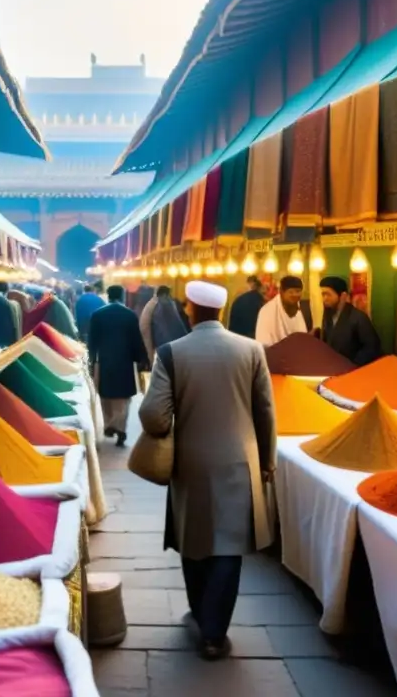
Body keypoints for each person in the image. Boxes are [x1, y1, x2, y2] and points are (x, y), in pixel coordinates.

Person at [139, 280, 276, 660]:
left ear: (189, 308)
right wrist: (267, 460)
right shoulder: (251, 350)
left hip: (191, 462)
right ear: (221, 311)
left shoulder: (171, 352)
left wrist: (165, 426)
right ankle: (215, 635)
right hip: (240, 461)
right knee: (228, 547)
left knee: (193, 540)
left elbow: (153, 415)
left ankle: (200, 612)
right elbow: (265, 410)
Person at [88, 285, 148, 447]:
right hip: (125, 362)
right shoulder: (130, 315)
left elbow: (92, 342)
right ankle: (120, 428)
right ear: (122, 296)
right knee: (123, 399)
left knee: (105, 396)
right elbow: (137, 340)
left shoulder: (98, 315)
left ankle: (109, 425)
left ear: (108, 295)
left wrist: (91, 361)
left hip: (105, 361)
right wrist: (141, 359)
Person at [316, 276, 381, 366]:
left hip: (352, 371)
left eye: (328, 294)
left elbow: (372, 347)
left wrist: (352, 365)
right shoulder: (328, 315)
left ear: (343, 296)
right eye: (323, 295)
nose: (324, 299)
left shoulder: (358, 317)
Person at [139, 286, 188, 362]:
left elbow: (144, 329)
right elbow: (176, 329)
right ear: (165, 294)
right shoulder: (166, 304)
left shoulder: (151, 305)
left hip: (157, 350)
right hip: (171, 349)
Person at [255, 276, 307, 346]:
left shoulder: (298, 308)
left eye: (298, 291)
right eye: (291, 292)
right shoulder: (267, 311)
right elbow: (264, 341)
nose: (295, 295)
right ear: (282, 292)